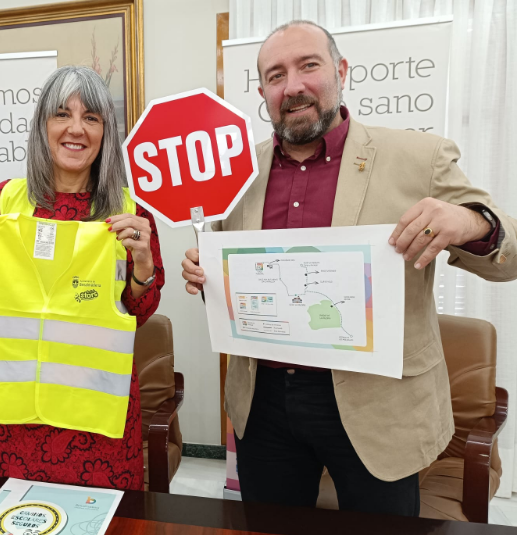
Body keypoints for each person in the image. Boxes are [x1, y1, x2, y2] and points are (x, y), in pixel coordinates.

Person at [181, 21, 517, 516]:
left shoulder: (419, 157)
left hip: (377, 405)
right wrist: (207, 273)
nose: (292, 85)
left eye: (308, 66)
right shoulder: (238, 174)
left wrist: (469, 221)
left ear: (340, 71)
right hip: (264, 402)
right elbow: (238, 290)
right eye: (276, 75)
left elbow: (509, 258)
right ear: (262, 93)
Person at [0, 65, 164, 490]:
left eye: (92, 118)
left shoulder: (128, 210)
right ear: (42, 126)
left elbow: (137, 313)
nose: (76, 129)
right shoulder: (7, 199)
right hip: (13, 410)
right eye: (62, 114)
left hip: (95, 412)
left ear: (106, 131)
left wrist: (143, 268)